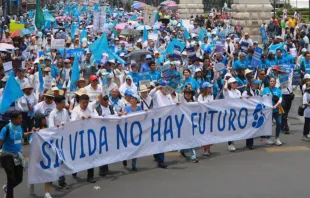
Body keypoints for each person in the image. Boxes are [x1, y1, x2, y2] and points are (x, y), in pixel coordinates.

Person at [0, 111, 28, 198]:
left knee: (19, 179)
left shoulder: (19, 127)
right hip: (7, 156)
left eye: (21, 118)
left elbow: (22, 135)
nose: (21, 120)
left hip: (18, 156)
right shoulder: (6, 129)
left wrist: (32, 132)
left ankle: (7, 188)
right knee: (11, 178)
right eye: (19, 118)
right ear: (13, 119)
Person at [71, 94, 96, 183]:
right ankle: (74, 170)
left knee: (90, 155)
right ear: (79, 102)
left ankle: (90, 176)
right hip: (79, 136)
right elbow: (72, 121)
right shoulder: (75, 110)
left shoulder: (90, 108)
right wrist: (80, 119)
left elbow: (96, 117)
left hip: (89, 136)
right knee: (78, 155)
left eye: (86, 102)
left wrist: (91, 117)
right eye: (83, 102)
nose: (85, 104)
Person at [28, 113, 54, 198]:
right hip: (36, 156)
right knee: (34, 171)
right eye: (43, 118)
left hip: (46, 155)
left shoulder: (47, 128)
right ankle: (31, 183)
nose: (45, 119)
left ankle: (47, 192)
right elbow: (31, 141)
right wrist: (35, 133)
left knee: (48, 172)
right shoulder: (34, 130)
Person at [93, 95, 116, 176]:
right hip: (100, 133)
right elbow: (94, 118)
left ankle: (106, 168)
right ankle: (101, 169)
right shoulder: (96, 109)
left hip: (110, 132)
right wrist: (100, 117)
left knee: (107, 151)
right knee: (101, 151)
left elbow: (115, 116)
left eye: (107, 99)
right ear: (101, 100)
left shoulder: (111, 107)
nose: (106, 101)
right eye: (104, 99)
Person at [120, 93, 142, 171]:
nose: (131, 99)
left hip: (136, 130)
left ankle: (134, 165)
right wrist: (123, 114)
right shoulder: (126, 108)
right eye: (131, 98)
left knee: (135, 147)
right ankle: (125, 158)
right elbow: (122, 116)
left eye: (133, 98)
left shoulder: (140, 108)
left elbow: (143, 118)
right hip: (128, 130)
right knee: (127, 146)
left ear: (136, 100)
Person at [179, 88, 199, 163]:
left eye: (189, 93)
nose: (188, 95)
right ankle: (192, 155)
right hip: (184, 123)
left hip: (192, 123)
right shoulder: (181, 101)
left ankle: (184, 151)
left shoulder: (193, 101)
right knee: (189, 139)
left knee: (191, 139)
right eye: (186, 93)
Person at [262, 77, 283, 146]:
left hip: (277, 110)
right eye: (271, 81)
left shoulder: (278, 90)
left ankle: (277, 138)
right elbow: (262, 99)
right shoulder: (265, 90)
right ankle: (268, 138)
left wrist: (276, 105)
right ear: (269, 82)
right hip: (268, 111)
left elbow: (280, 99)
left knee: (279, 123)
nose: (272, 82)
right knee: (268, 125)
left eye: (273, 81)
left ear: (275, 82)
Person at [242, 79, 262, 149]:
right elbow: (242, 101)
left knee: (252, 128)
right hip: (248, 112)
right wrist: (247, 98)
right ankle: (249, 144)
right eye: (255, 84)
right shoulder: (246, 91)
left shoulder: (257, 91)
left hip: (255, 112)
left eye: (257, 84)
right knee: (249, 128)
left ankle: (251, 143)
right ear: (252, 84)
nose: (257, 85)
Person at [223, 77, 241, 151]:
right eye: (234, 83)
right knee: (230, 128)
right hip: (229, 112)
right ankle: (230, 144)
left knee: (235, 128)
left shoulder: (238, 91)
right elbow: (225, 88)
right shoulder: (227, 91)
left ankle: (232, 142)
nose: (235, 84)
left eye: (236, 83)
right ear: (230, 84)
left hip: (237, 112)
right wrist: (227, 81)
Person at [198, 82, 214, 156]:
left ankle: (209, 148)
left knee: (210, 132)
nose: (210, 89)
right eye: (208, 88)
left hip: (210, 116)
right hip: (203, 117)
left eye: (210, 88)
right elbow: (199, 104)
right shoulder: (201, 96)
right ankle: (205, 149)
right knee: (205, 133)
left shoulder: (211, 96)